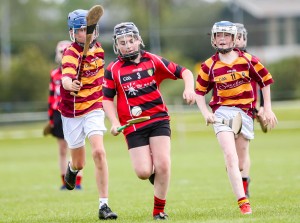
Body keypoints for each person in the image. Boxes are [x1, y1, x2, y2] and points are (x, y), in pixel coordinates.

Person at [102, 22, 195, 220]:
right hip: (133, 126)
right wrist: (114, 121)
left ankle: (158, 211)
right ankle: (155, 176)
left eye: (131, 41)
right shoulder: (113, 69)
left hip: (158, 119)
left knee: (163, 165)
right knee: (143, 172)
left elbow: (184, 72)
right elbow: (106, 99)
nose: (127, 45)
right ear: (116, 45)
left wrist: (189, 88)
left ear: (138, 40)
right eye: (122, 42)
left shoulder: (152, 60)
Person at [195, 21, 277, 215]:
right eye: (218, 36)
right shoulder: (209, 65)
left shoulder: (248, 60)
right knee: (230, 156)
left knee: (240, 164)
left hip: (245, 114)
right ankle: (243, 202)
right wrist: (206, 113)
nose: (222, 39)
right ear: (214, 39)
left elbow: (265, 81)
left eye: (226, 35)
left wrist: (267, 108)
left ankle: (237, 175)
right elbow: (199, 93)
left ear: (233, 38)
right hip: (222, 113)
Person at [58, 9, 117, 220]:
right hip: (72, 112)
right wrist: (70, 84)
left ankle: (104, 205)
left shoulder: (99, 51)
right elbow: (66, 77)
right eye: (81, 30)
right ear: (73, 33)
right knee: (80, 163)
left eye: (89, 29)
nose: (86, 34)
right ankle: (72, 169)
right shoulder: (71, 53)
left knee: (99, 152)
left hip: (93, 108)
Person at [235, 23, 268, 198]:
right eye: (236, 36)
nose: (238, 40)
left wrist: (262, 106)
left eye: (241, 37)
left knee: (243, 151)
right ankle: (239, 179)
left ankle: (244, 182)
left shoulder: (251, 60)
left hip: (249, 110)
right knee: (232, 155)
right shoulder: (221, 61)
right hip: (227, 111)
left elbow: (263, 84)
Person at [45, 40, 82, 190]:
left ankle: (77, 181)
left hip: (72, 110)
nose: (63, 54)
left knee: (76, 146)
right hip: (57, 113)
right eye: (61, 52)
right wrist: (50, 119)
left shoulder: (76, 73)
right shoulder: (54, 74)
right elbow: (51, 96)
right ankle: (64, 181)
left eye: (66, 51)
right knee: (62, 149)